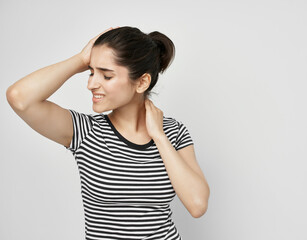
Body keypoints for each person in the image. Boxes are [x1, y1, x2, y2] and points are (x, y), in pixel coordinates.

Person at [6, 26, 210, 240]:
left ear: (142, 82)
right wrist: (81, 59)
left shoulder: (173, 132)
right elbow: (19, 97)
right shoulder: (85, 131)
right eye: (92, 72)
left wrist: (159, 136)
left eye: (106, 75)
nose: (91, 84)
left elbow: (197, 205)